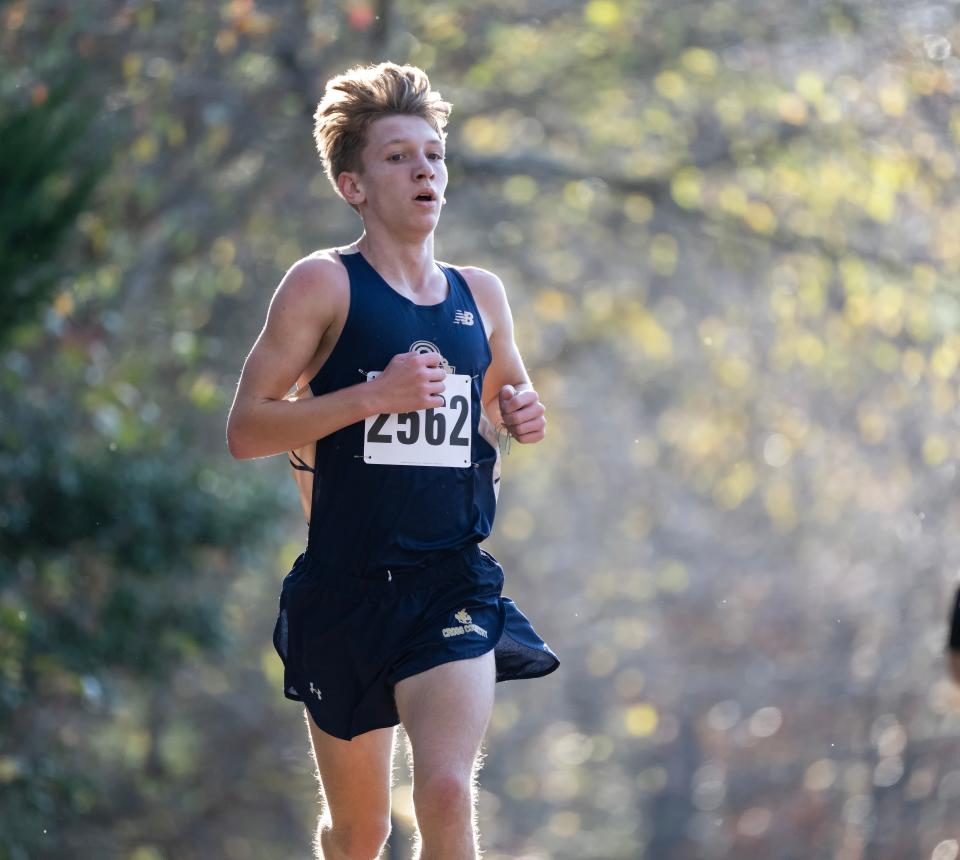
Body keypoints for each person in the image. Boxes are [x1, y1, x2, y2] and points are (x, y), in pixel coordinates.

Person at [226, 62, 560, 860]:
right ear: (354, 186)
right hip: (344, 589)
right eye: (399, 157)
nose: (424, 172)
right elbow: (246, 429)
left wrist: (521, 410)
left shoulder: (480, 294)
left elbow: (509, 398)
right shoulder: (322, 284)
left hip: (449, 579)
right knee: (361, 831)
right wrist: (369, 398)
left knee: (446, 792)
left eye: (434, 155)